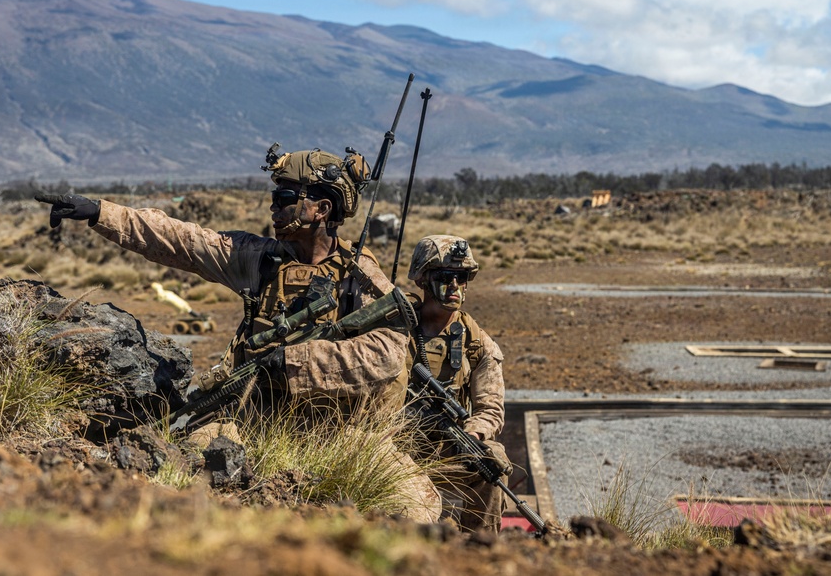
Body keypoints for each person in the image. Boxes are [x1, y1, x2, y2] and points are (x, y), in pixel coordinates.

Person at [37, 143, 440, 521]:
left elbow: (388, 352)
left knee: (416, 507)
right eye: (275, 199)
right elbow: (183, 240)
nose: (274, 208)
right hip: (253, 419)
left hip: (341, 435)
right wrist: (99, 212)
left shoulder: (361, 277)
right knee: (179, 470)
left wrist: (294, 362)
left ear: (321, 207)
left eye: (285, 199)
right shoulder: (260, 259)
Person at [407, 234, 511, 533]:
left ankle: (478, 549)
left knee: (493, 464)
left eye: (462, 277)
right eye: (445, 276)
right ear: (423, 280)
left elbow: (490, 408)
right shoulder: (395, 332)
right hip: (396, 445)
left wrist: (474, 433)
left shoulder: (476, 341)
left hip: (446, 446)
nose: (455, 286)